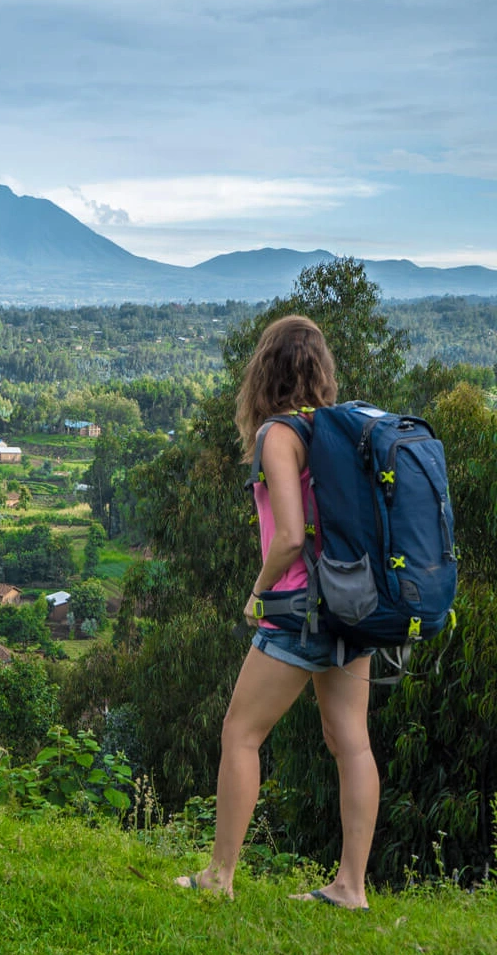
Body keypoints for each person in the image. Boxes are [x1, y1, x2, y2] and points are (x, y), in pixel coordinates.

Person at [175, 315, 377, 910]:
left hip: (296, 609)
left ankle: (219, 875)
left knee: (240, 733)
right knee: (352, 744)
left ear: (264, 369)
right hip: (353, 605)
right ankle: (351, 888)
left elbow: (288, 537)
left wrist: (258, 592)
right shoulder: (340, 428)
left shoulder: (279, 435)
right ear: (321, 370)